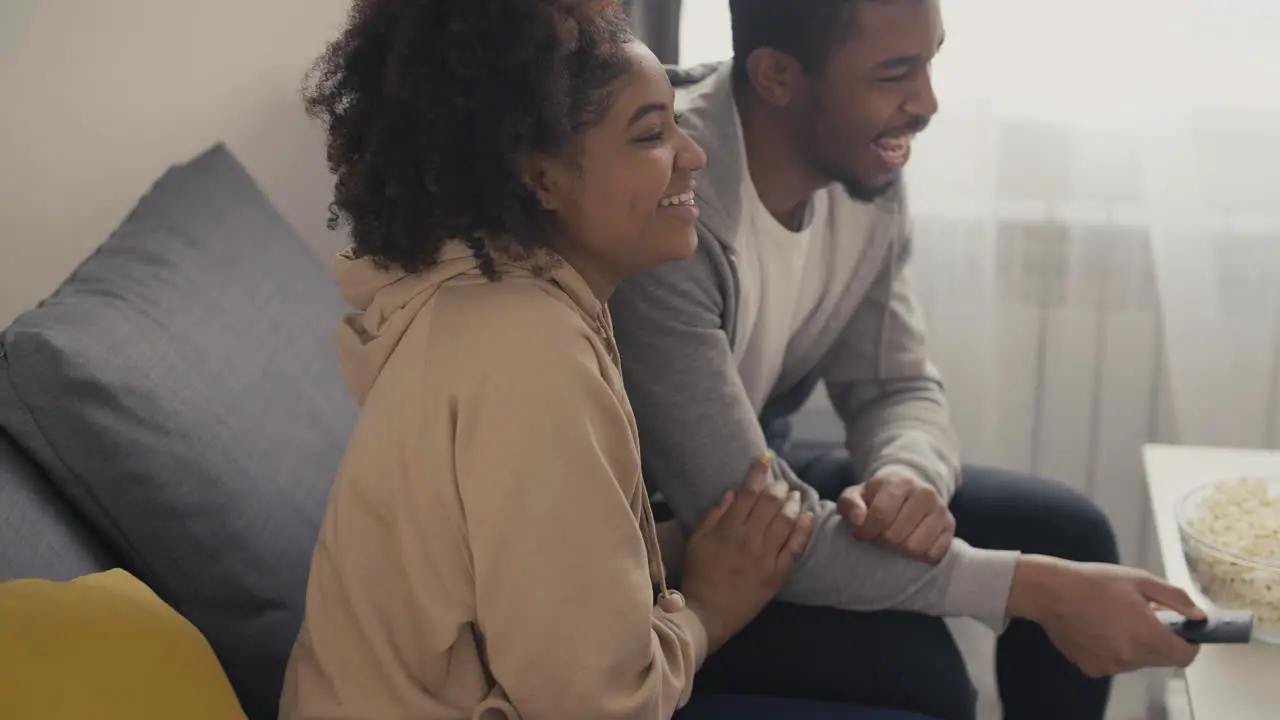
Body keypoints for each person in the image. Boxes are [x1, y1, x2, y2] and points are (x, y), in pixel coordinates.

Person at [278, 1, 937, 718]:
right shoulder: (531, 355)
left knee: (913, 669)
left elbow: (531, 563)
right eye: (651, 134)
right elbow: (595, 704)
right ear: (542, 179)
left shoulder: (504, 309)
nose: (693, 155)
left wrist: (685, 549)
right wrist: (710, 608)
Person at [609, 2, 1204, 719]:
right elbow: (744, 519)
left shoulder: (864, 170)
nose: (926, 103)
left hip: (760, 473)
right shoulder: (666, 199)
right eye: (895, 75)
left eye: (930, 62)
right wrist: (1038, 590)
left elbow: (895, 383)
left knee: (1069, 531)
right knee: (935, 685)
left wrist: (906, 477)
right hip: (675, 540)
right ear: (776, 77)